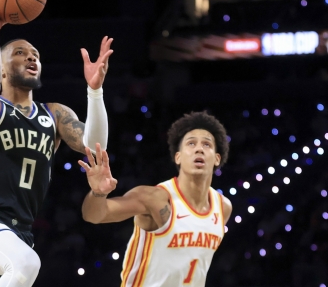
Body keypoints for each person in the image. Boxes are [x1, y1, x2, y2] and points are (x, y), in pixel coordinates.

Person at [0, 0, 114, 286]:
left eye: (35, 55)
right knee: (25, 264)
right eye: (20, 53)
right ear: (2, 68)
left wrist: (95, 90)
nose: (31, 57)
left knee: (23, 265)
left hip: (19, 232)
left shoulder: (54, 115)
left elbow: (94, 145)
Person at [79, 111, 233, 287]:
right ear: (178, 156)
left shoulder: (223, 207)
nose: (199, 148)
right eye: (191, 143)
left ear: (217, 158)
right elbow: (93, 216)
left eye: (207, 144)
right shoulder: (154, 198)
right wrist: (98, 193)